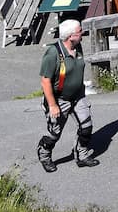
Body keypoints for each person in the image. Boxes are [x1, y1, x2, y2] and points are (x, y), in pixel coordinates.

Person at [37, 19, 98, 172]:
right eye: (79, 32)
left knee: (86, 127)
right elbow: (45, 81)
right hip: (59, 99)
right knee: (54, 133)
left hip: (77, 96)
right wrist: (52, 105)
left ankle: (81, 155)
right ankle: (44, 155)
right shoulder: (53, 54)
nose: (82, 33)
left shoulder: (78, 47)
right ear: (70, 36)